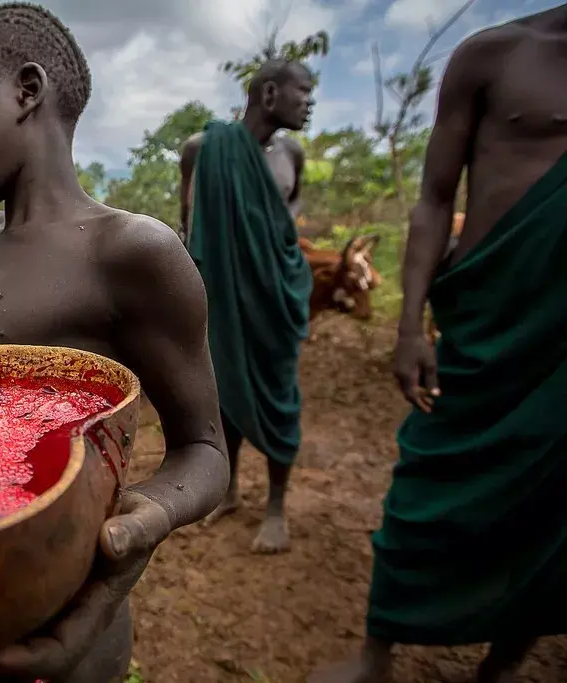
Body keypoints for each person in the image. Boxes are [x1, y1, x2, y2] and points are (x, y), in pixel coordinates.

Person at [0, 3, 229, 681]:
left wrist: (145, 518)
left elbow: (204, 450)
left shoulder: (131, 252)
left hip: (69, 619)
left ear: (27, 90)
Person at [310, 8, 567, 683]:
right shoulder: (496, 53)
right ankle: (377, 652)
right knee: (428, 477)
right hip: (486, 317)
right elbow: (432, 197)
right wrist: (409, 323)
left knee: (554, 504)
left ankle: (504, 662)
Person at [178, 60, 315, 553]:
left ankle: (276, 505)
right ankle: (230, 490)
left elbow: (288, 214)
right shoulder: (202, 150)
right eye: (304, 91)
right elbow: (189, 224)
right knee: (225, 388)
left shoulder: (291, 154)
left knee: (280, 393)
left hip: (275, 295)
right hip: (225, 294)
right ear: (271, 93)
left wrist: (266, 247)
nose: (310, 102)